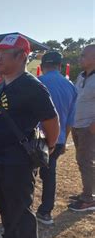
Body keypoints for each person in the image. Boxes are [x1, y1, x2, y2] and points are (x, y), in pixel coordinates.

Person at [0, 34, 59, 238]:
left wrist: (44, 148)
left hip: (16, 161)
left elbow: (51, 122)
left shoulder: (31, 86)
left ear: (22, 57)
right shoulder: (5, 83)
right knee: (2, 202)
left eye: (4, 53)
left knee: (20, 210)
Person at [36, 51, 77, 224]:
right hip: (58, 138)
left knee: (26, 175)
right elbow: (70, 119)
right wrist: (62, 141)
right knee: (49, 174)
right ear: (60, 66)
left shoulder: (37, 83)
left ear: (42, 66)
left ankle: (22, 211)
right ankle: (46, 212)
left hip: (35, 137)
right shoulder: (71, 86)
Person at [68, 44, 95, 211]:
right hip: (77, 125)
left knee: (86, 161)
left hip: (88, 127)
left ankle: (88, 199)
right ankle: (89, 191)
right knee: (82, 160)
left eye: (84, 55)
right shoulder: (81, 75)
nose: (80, 57)